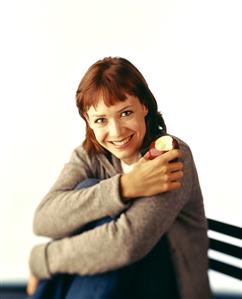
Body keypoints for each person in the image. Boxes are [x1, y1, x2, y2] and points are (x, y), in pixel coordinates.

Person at [26, 57, 212, 299]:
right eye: (101, 120)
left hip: (168, 287)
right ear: (87, 120)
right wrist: (125, 187)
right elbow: (44, 221)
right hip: (120, 285)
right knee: (88, 189)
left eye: (125, 113)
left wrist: (43, 260)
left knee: (105, 239)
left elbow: (126, 245)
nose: (116, 132)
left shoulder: (171, 156)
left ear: (144, 106)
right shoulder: (90, 156)